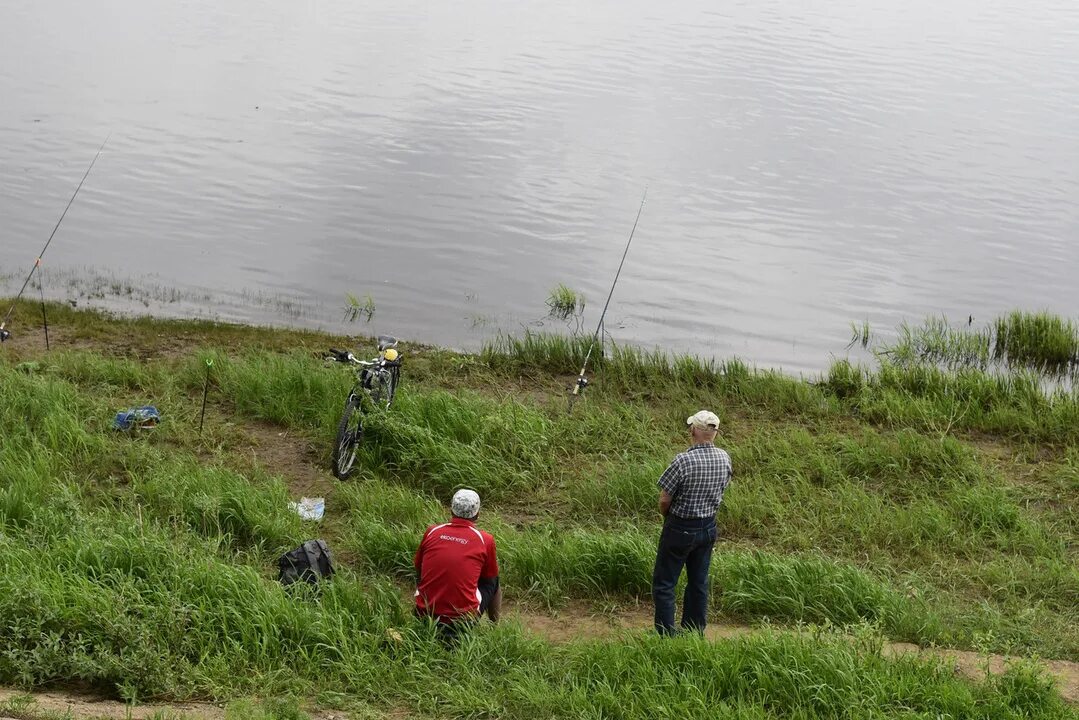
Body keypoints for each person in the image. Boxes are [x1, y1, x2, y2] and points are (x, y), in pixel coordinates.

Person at [652, 410, 733, 636]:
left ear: (694, 430)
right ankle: (694, 629)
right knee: (698, 582)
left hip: (680, 526)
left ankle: (666, 633)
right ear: (714, 433)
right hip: (707, 526)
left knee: (666, 582)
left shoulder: (683, 460)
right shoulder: (724, 457)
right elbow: (723, 487)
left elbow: (664, 499)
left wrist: (667, 516)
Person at [414, 488, 502, 639]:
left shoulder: (432, 531)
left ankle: (427, 605)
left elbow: (418, 567)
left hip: (423, 616)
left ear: (451, 510)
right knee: (493, 581)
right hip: (462, 621)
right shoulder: (485, 540)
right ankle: (495, 629)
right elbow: (490, 576)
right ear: (477, 514)